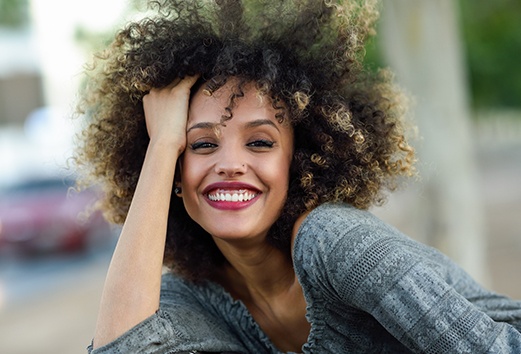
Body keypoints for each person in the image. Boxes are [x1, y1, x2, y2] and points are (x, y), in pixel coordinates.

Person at [74, 0, 521, 353]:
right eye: (202, 144)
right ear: (174, 172)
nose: (229, 163)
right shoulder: (197, 297)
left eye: (261, 142)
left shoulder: (336, 243)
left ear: (299, 161)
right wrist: (161, 145)